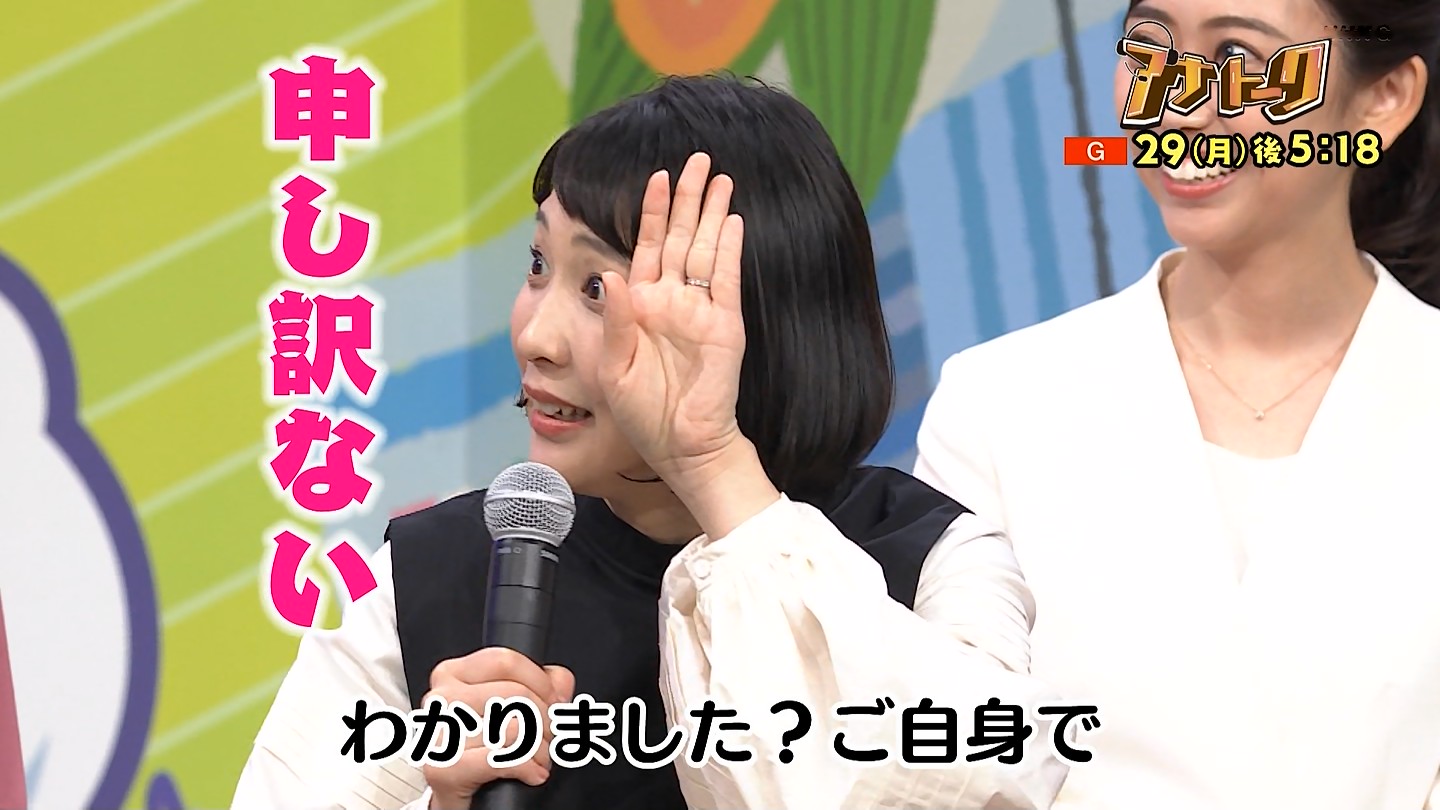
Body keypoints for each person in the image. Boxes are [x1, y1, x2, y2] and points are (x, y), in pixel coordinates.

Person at [232, 74, 1071, 810]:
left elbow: (965, 788)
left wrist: (710, 461)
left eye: (597, 287)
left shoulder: (932, 559)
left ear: (759, 319)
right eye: (538, 265)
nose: (536, 337)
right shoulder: (435, 573)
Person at [913, 1, 1440, 809]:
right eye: (1149, 51)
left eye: (1237, 58)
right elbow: (953, 756)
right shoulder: (998, 404)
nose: (1179, 106)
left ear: (1384, 98)